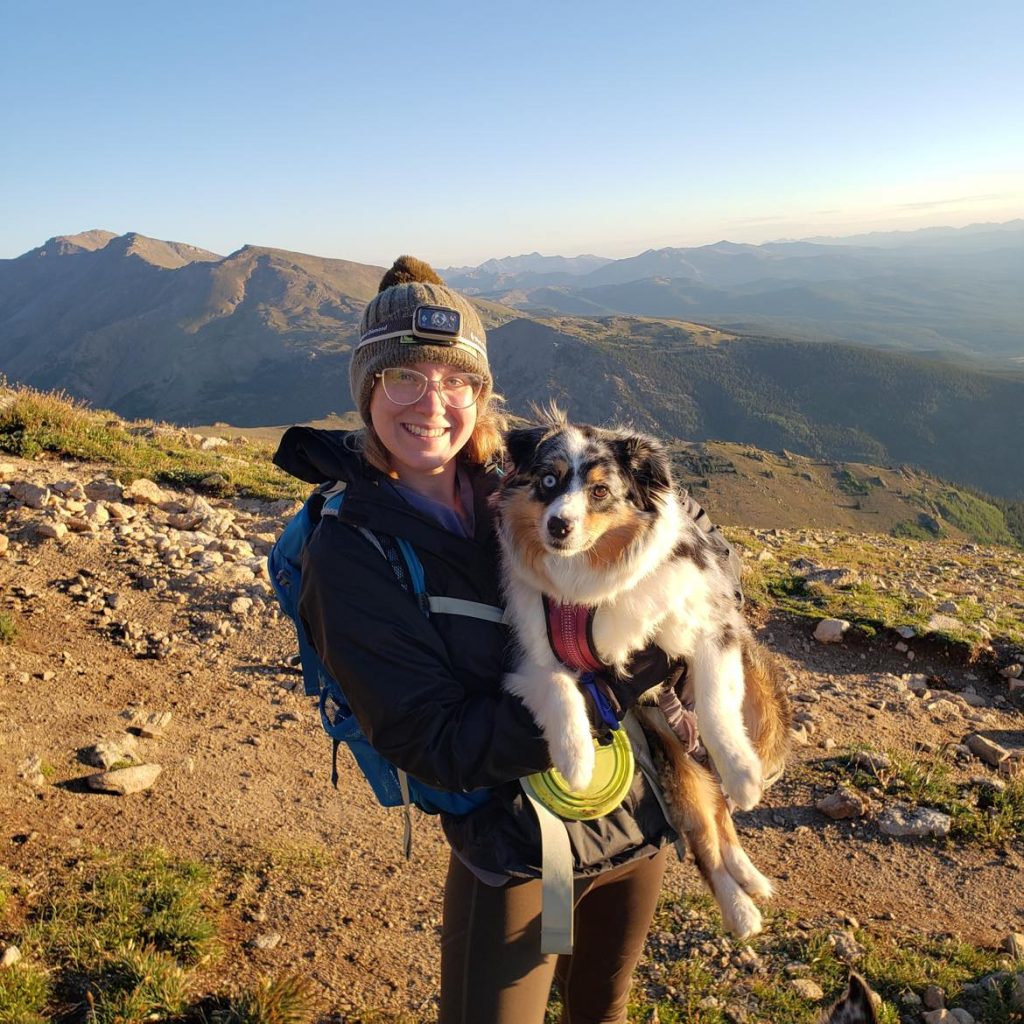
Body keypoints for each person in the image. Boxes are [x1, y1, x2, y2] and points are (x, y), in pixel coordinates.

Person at [273, 256, 735, 1024]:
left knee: (604, 1009)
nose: (431, 403)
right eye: (402, 379)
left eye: (455, 380)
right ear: (367, 391)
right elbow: (434, 741)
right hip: (517, 849)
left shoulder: (525, 477)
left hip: (633, 806)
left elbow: (689, 538)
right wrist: (610, 683)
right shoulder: (350, 549)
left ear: (480, 393)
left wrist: (695, 612)